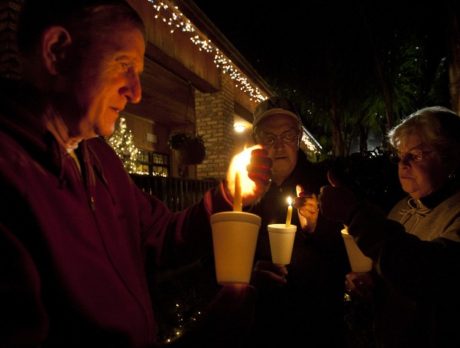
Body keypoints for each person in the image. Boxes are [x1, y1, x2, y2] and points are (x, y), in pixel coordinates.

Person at [0, 1, 271, 347]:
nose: (137, 92)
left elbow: (157, 235)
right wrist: (210, 335)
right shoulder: (10, 178)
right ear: (57, 52)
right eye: (124, 64)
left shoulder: (98, 157)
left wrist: (227, 196)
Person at [320, 106, 460, 347]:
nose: (402, 164)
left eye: (415, 155)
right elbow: (394, 265)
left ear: (450, 158)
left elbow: (428, 272)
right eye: (399, 156)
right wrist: (371, 282)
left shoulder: (455, 211)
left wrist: (354, 214)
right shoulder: (400, 209)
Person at [245, 96, 349, 347]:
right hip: (261, 321)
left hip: (317, 324)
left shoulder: (326, 184)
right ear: (257, 142)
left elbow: (349, 252)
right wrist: (248, 275)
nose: (279, 145)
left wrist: (317, 227)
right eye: (270, 137)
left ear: (300, 137)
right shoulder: (241, 190)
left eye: (288, 135)